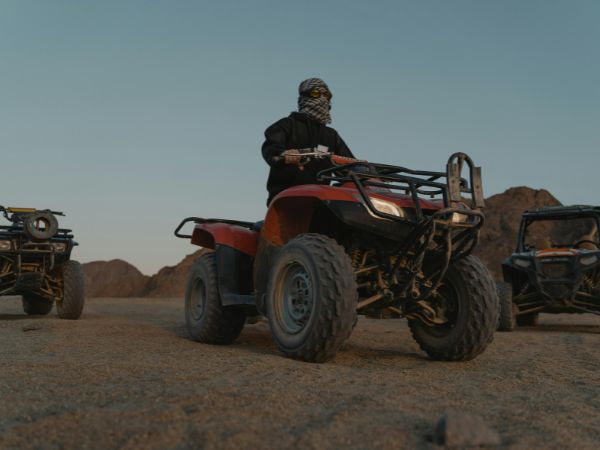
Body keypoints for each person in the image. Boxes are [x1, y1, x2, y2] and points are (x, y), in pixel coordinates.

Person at [261, 78, 356, 205]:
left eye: (326, 95)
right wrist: (284, 155)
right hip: (287, 197)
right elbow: (271, 148)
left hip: (319, 200)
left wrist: (370, 173)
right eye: (316, 94)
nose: (322, 98)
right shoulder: (287, 125)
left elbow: (348, 163)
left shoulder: (331, 135)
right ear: (304, 96)